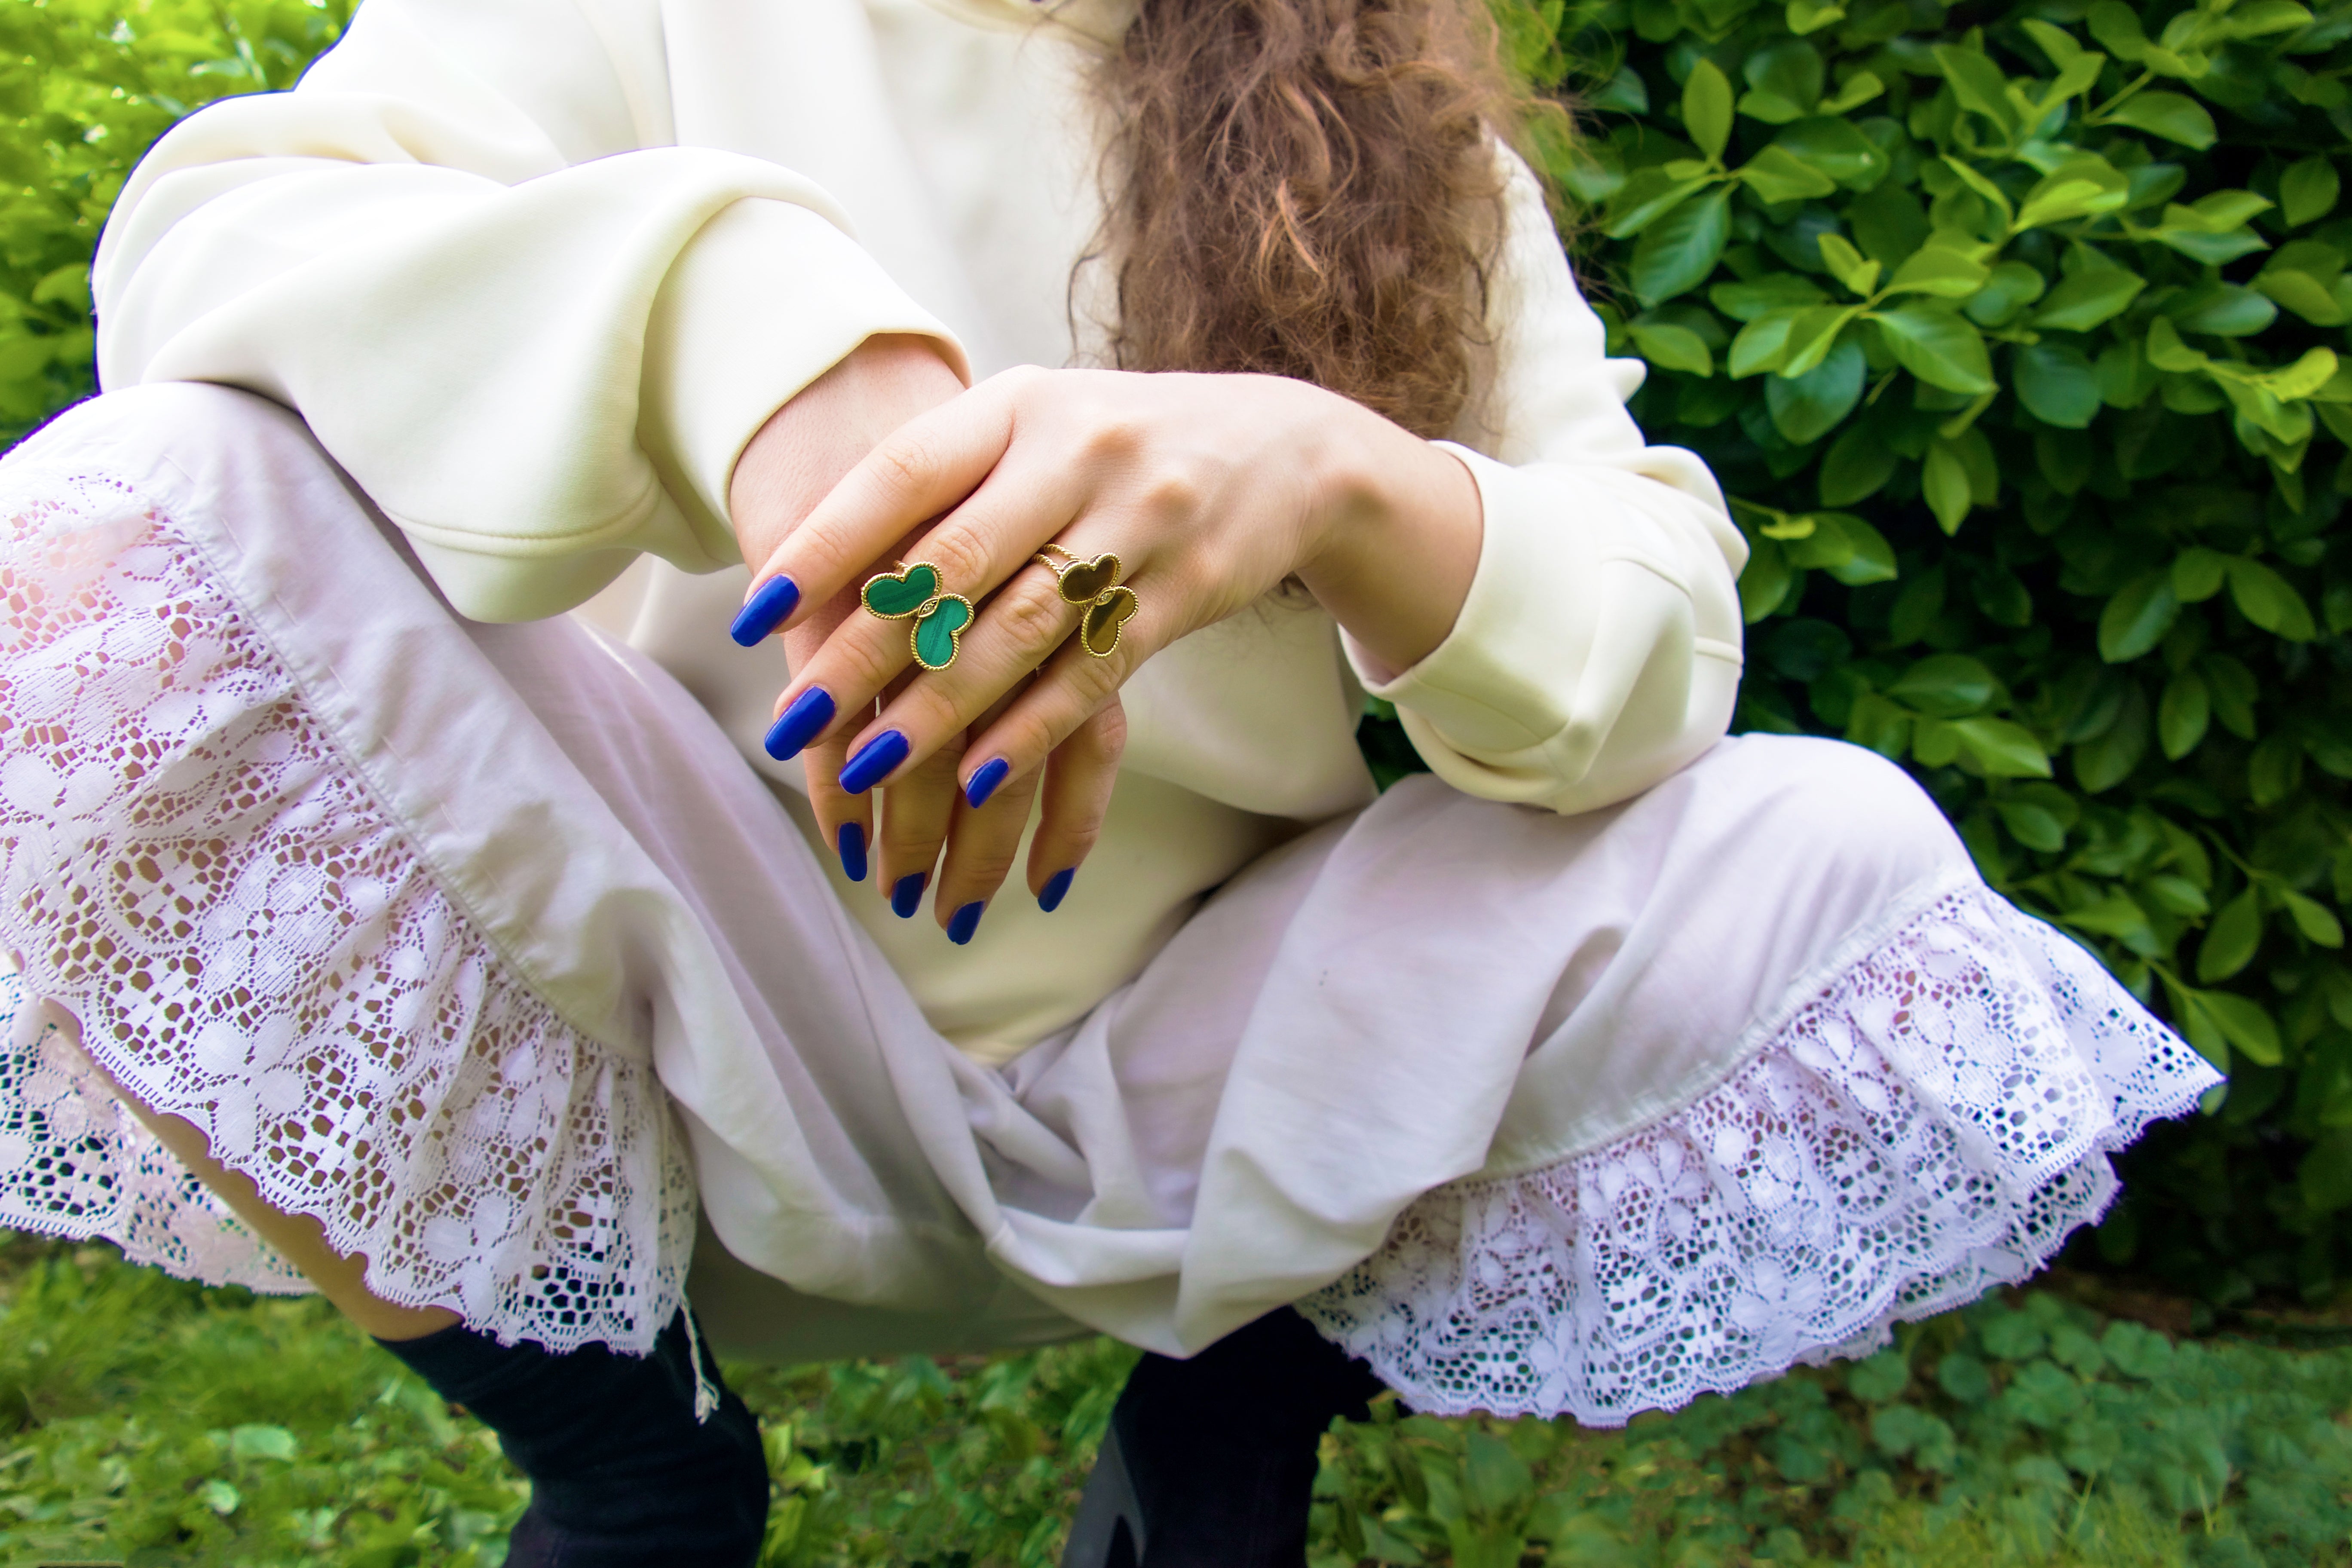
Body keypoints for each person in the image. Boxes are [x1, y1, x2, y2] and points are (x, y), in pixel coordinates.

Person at [0, 0, 2219, 1561]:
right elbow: (222, 239)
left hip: (1214, 1080)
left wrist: (1337, 478)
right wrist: (740, 336)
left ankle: (1242, 1385)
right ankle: (632, 1464)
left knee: (1823, 850)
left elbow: (1660, 634)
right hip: (680, 1039)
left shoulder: (1376, 89)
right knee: (124, 527)